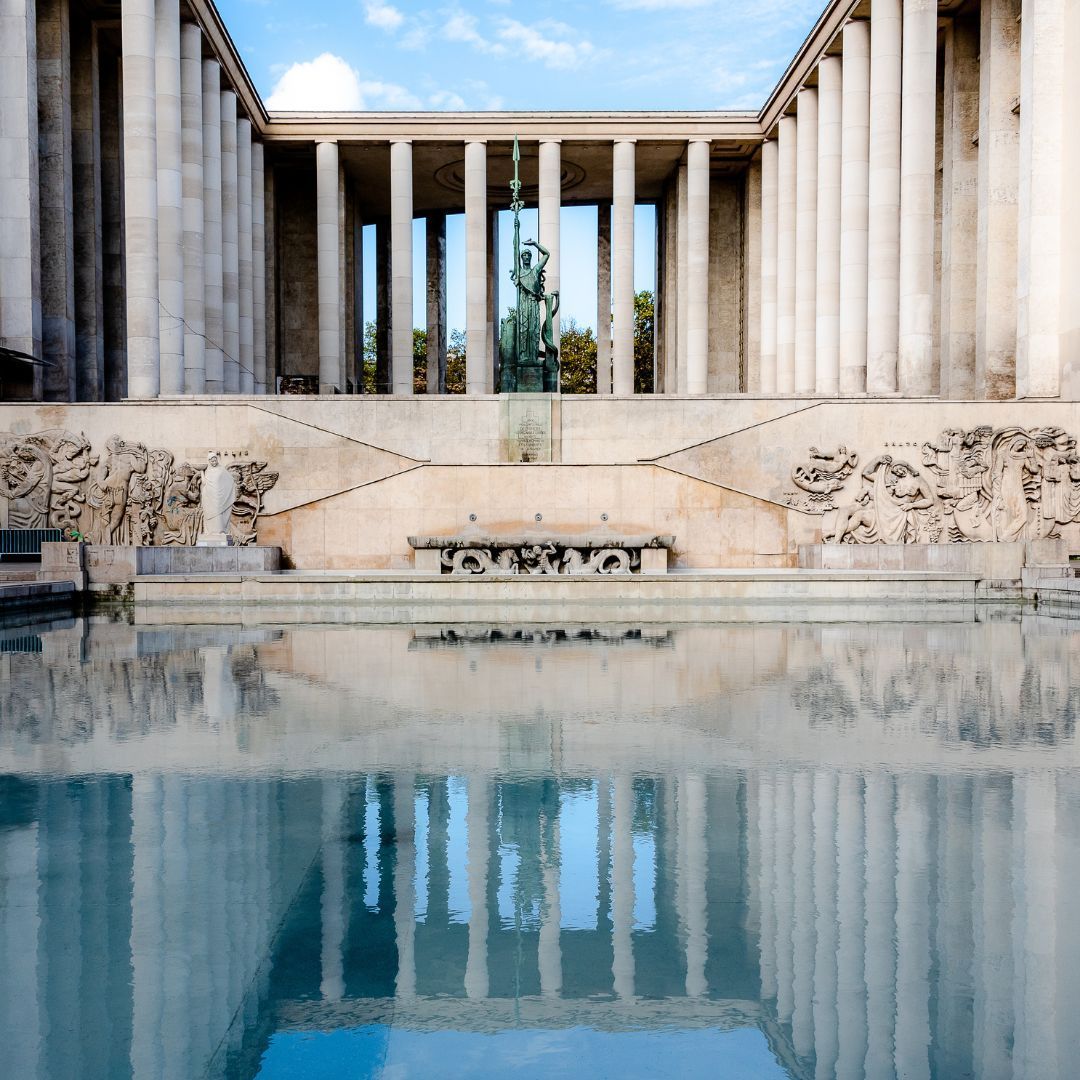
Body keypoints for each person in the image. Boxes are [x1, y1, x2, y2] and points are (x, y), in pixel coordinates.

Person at [198, 451, 237, 544]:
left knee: (219, 514)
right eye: (211, 461)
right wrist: (201, 472)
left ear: (217, 460)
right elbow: (204, 483)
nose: (214, 462)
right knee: (209, 514)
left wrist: (227, 492)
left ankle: (220, 531)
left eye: (215, 460)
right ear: (209, 461)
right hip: (209, 496)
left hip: (219, 497)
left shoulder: (222, 470)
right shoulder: (207, 471)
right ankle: (210, 532)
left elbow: (230, 480)